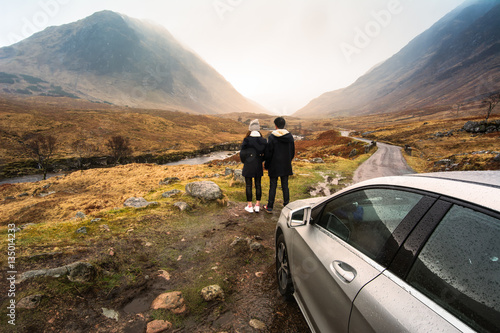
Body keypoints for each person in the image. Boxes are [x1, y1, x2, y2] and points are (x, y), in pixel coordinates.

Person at [264, 117, 295, 213]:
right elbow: (292, 152)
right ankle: (286, 205)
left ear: (276, 125)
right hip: (285, 165)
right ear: (284, 125)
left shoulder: (272, 137)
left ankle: (269, 207)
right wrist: (287, 161)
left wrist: (266, 165)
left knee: (272, 186)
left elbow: (269, 153)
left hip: (274, 165)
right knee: (285, 185)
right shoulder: (289, 137)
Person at [240, 119, 267, 213]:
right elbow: (266, 154)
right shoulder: (263, 140)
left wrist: (246, 161)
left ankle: (250, 206)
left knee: (248, 185)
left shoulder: (246, 140)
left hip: (248, 164)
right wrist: (260, 160)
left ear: (250, 129)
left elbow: (242, 154)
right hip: (258, 164)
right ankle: (257, 206)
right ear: (258, 129)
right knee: (258, 185)